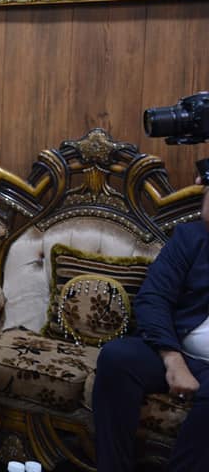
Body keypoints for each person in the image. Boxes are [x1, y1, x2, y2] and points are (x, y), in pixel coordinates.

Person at [93, 183, 209, 471]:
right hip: (181, 349)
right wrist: (172, 359)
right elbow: (153, 297)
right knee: (117, 357)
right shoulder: (191, 238)